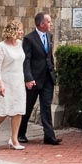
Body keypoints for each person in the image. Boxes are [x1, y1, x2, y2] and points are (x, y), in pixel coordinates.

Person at [19, 11, 61, 145]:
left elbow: (49, 57)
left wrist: (53, 73)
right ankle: (20, 134)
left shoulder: (49, 36)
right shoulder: (29, 39)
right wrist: (28, 78)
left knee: (46, 107)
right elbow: (26, 60)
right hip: (34, 79)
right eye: (49, 22)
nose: (51, 24)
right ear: (42, 24)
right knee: (27, 107)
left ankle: (49, 136)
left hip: (47, 78)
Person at [0, 17, 27, 150]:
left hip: (18, 81)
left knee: (18, 110)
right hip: (5, 82)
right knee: (3, 112)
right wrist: (0, 83)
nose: (22, 32)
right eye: (20, 30)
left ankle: (14, 139)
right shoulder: (1, 47)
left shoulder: (21, 44)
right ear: (13, 31)